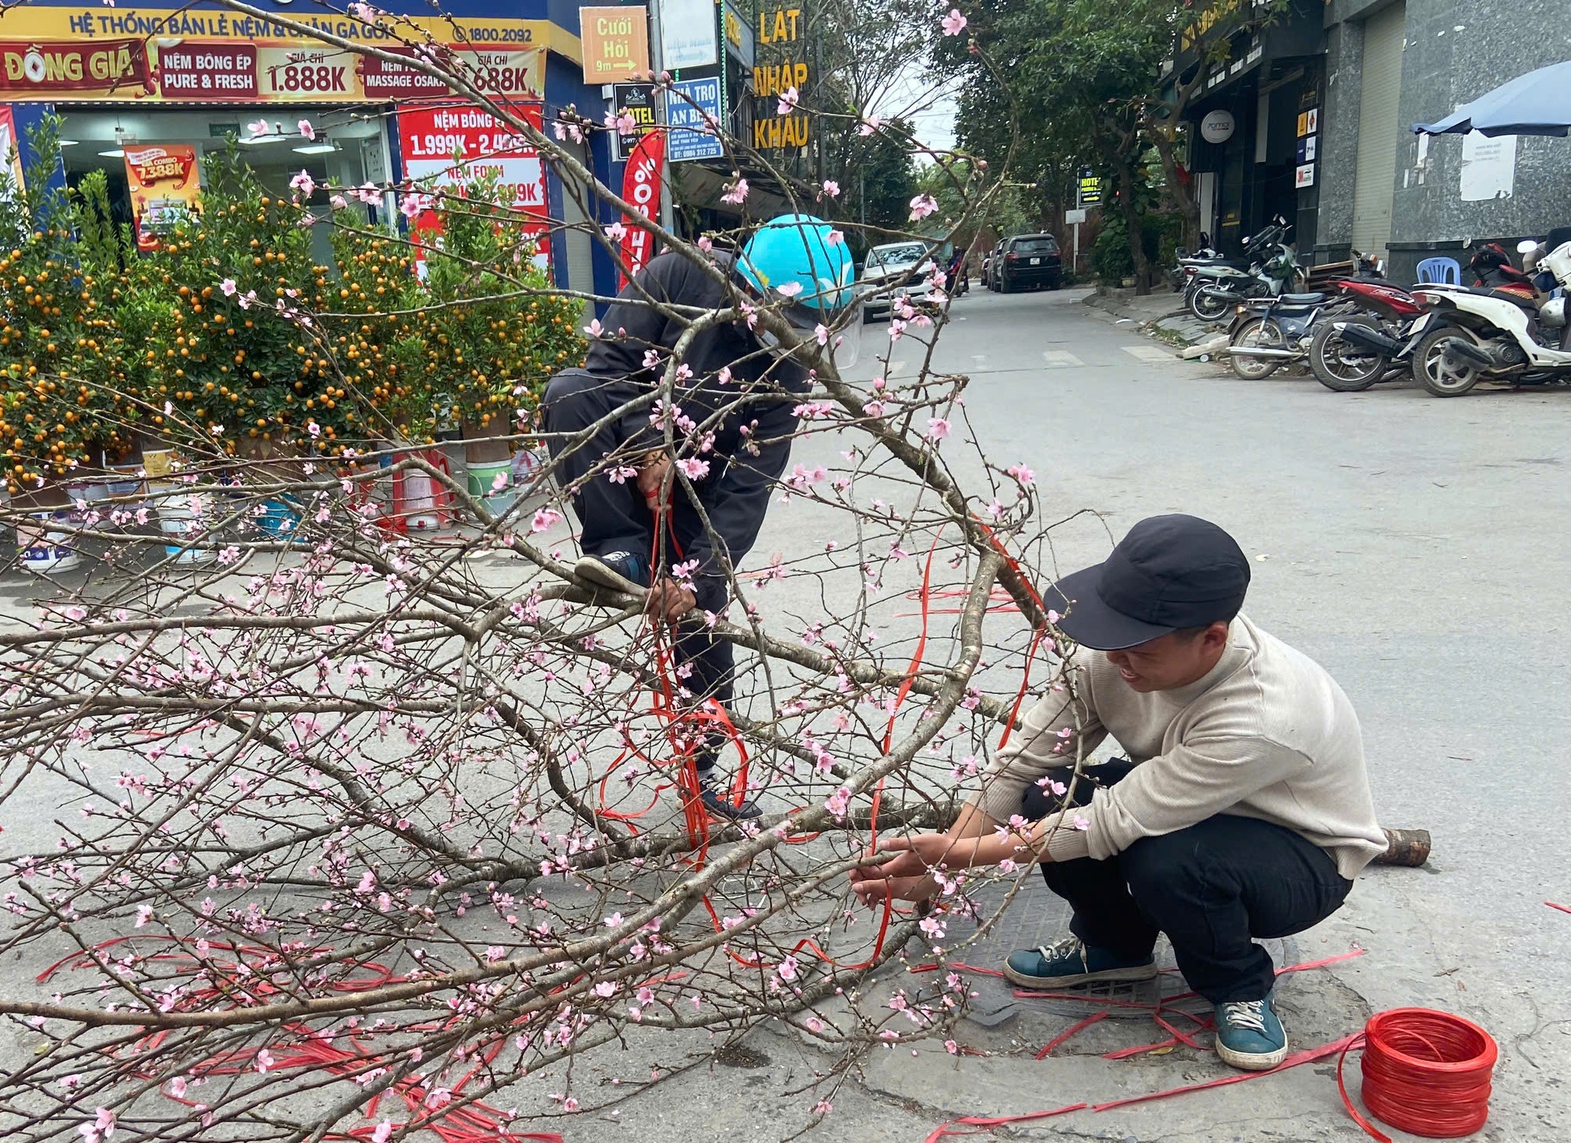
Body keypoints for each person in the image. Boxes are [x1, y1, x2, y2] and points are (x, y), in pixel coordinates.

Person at [848, 515, 1386, 1071]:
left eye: (1139, 652)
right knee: (1049, 794)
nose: (1117, 662)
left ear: (1212, 639)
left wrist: (962, 858)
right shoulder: (1111, 655)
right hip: (1182, 810)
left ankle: (1238, 986)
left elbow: (1114, 821)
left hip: (1299, 857)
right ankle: (1114, 947)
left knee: (1171, 860)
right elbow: (1022, 765)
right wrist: (941, 866)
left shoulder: (1266, 714)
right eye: (1111, 642)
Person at [543, 215, 856, 823]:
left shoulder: (785, 372)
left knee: (700, 625)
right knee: (567, 391)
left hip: (700, 500)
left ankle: (703, 762)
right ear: (747, 285)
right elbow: (607, 366)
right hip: (620, 461)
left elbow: (747, 493)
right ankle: (620, 550)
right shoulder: (679, 274)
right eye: (779, 319)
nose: (783, 337)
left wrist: (699, 582)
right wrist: (646, 445)